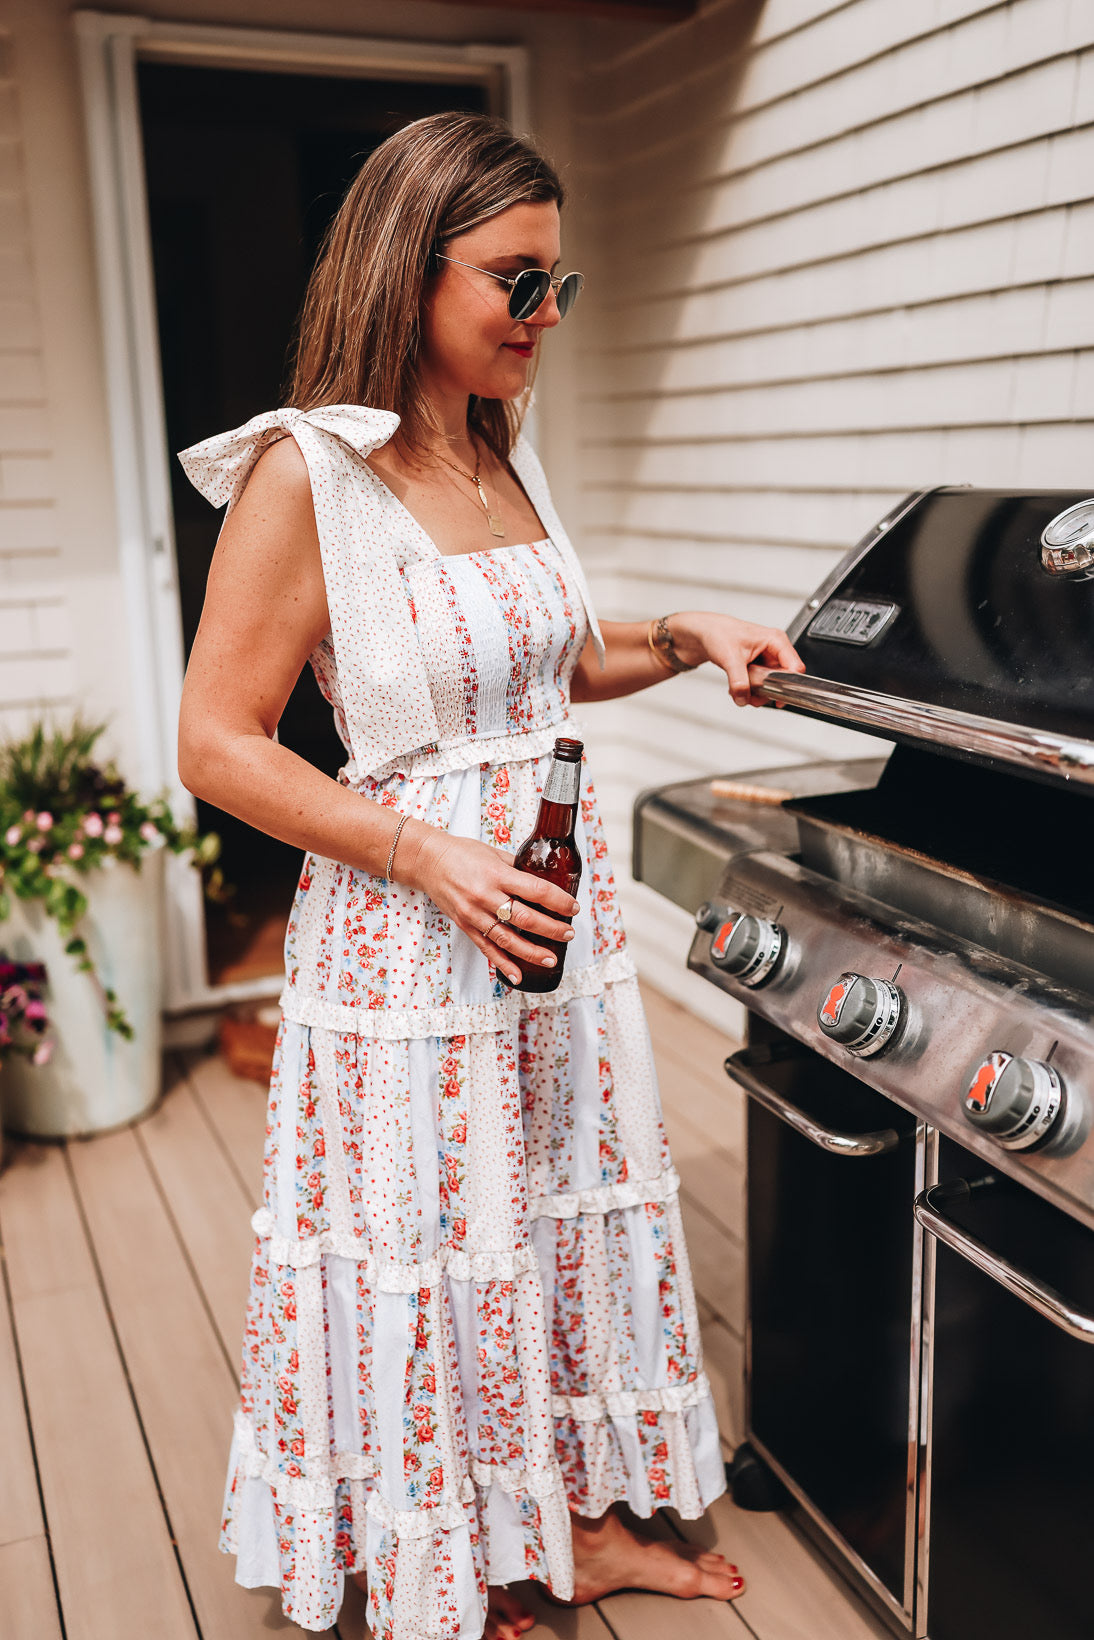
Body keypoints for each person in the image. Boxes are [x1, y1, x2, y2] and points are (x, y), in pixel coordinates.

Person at [177, 111, 804, 1640]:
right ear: (409, 265)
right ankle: (441, 1554)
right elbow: (214, 741)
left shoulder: (495, 453)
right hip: (409, 933)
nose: (542, 317)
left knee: (545, 1226)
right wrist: (423, 852)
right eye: (515, 280)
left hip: (546, 924)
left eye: (559, 288)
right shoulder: (304, 475)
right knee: (437, 1239)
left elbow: (545, 668)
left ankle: (567, 1530)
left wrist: (682, 634)